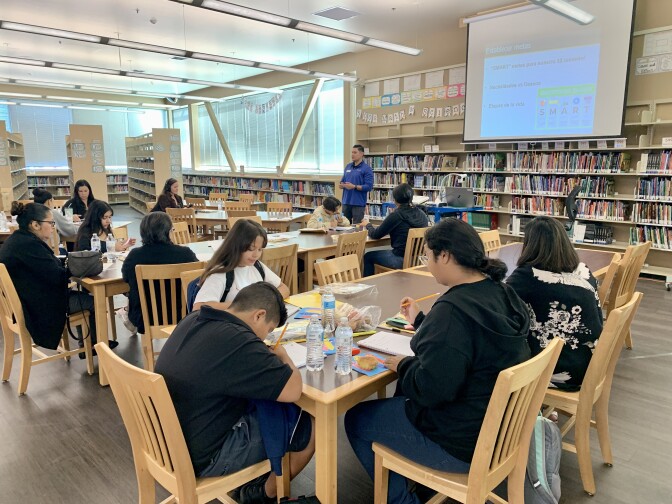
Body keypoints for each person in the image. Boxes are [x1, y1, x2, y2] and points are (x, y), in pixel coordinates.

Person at [345, 218, 531, 504]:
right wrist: (422, 321)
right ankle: (413, 479)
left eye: (428, 256)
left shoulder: (452, 311)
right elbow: (467, 342)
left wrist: (403, 365)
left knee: (356, 419)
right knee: (403, 392)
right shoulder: (502, 291)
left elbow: (433, 389)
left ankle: (403, 499)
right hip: (500, 431)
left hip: (461, 444)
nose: (427, 263)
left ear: (444, 256)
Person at [155, 283, 315, 503]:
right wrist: (284, 356)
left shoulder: (194, 318)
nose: (264, 337)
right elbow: (293, 390)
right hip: (201, 457)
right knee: (307, 425)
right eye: (269, 330)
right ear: (259, 315)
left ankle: (257, 483)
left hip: (161, 443)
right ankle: (264, 494)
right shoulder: (240, 341)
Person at [0, 202, 117, 355]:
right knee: (94, 301)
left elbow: (48, 266)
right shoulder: (30, 245)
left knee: (81, 296)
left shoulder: (18, 240)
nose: (53, 226)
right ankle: (97, 347)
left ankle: (87, 345)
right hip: (39, 306)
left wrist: (68, 263)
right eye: (50, 223)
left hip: (27, 301)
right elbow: (56, 275)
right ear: (35, 224)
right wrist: (79, 267)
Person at [506, 216, 603, 391]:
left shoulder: (524, 278)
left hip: (558, 371)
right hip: (590, 363)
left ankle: (526, 410)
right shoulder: (583, 270)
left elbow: (503, 314)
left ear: (530, 246)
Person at [120, 212, 199, 334]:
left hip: (144, 318)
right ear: (168, 232)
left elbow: (125, 279)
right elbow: (197, 279)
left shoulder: (135, 255)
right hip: (183, 315)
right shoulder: (185, 253)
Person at [193, 219, 290, 311]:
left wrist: (265, 300)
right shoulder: (221, 273)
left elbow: (284, 288)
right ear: (236, 246)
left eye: (260, 249)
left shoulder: (257, 266)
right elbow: (199, 307)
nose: (256, 255)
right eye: (251, 249)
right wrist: (243, 305)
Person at [360, 183, 429, 276]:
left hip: (400, 259)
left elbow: (375, 235)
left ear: (395, 200)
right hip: (418, 259)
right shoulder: (422, 213)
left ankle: (367, 287)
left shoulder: (397, 215)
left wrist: (368, 225)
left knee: (368, 257)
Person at [339, 144, 373, 224]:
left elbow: (369, 186)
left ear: (361, 154)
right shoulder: (348, 166)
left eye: (355, 152)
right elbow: (343, 180)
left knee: (357, 227)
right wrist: (341, 185)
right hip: (346, 202)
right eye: (352, 152)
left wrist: (354, 186)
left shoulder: (367, 169)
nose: (352, 154)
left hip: (358, 203)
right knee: (344, 225)